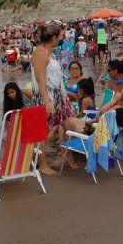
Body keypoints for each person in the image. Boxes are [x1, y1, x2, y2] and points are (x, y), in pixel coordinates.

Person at [31, 25, 79, 173]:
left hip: (59, 98)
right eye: (59, 37)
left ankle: (67, 155)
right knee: (43, 132)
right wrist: (47, 101)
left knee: (65, 126)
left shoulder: (48, 52)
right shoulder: (39, 54)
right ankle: (42, 164)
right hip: (47, 99)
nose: (60, 39)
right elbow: (40, 79)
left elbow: (55, 77)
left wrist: (66, 98)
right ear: (53, 38)